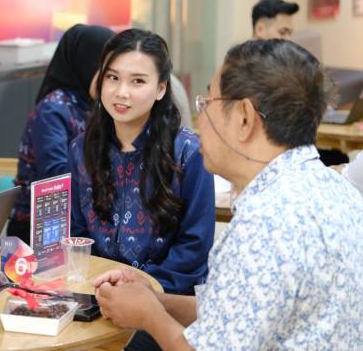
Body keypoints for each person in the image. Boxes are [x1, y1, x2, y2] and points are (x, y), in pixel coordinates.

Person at [93, 39, 363, 350]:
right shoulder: (335, 189)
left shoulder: (265, 224)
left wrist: (149, 316)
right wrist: (155, 299)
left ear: (244, 117)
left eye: (207, 103)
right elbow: (236, 312)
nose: (200, 122)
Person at [70, 29, 215, 350]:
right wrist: (102, 289)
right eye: (113, 78)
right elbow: (77, 233)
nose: (121, 92)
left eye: (137, 81)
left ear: (161, 88)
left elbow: (193, 249)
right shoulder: (82, 148)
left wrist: (144, 290)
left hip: (167, 303)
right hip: (97, 296)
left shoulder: (189, 153)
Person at [7, 24, 115, 244]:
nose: (112, 80)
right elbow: (57, 177)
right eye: (107, 71)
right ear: (86, 64)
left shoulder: (94, 104)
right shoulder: (53, 110)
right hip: (37, 228)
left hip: (82, 219)